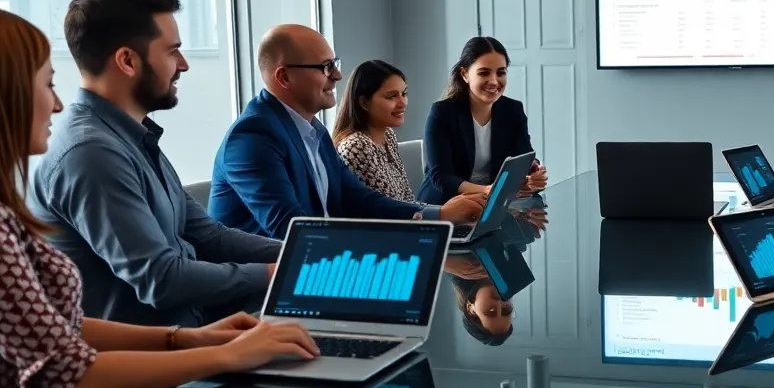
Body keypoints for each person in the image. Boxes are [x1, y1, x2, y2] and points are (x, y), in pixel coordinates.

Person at [0, 1, 320, 388]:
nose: (57, 102)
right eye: (46, 84)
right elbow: (69, 372)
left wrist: (189, 339)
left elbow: (56, 329)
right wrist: (228, 354)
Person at [29, 0, 284, 327]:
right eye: (172, 51)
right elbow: (160, 280)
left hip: (193, 339)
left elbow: (207, 236)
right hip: (152, 369)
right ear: (128, 61)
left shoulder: (131, 136)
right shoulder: (92, 153)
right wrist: (275, 272)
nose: (183, 64)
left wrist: (298, 255)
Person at [207, 25, 482, 239]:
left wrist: (439, 214)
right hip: (265, 292)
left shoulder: (314, 131)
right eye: (325, 67)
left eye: (334, 63)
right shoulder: (252, 137)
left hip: (318, 262)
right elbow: (292, 230)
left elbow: (360, 199)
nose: (338, 76)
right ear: (284, 77)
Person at [417, 36, 547, 204]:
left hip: (493, 205)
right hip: (447, 206)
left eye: (501, 73)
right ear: (464, 74)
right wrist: (487, 190)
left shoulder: (513, 110)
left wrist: (533, 172)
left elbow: (523, 155)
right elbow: (441, 177)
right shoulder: (442, 113)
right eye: (484, 73)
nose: (494, 81)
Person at [333, 60, 417, 201]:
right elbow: (390, 213)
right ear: (364, 103)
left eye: (404, 93)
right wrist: (442, 213)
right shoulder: (356, 146)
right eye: (392, 96)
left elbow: (407, 200)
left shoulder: (388, 135)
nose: (403, 102)